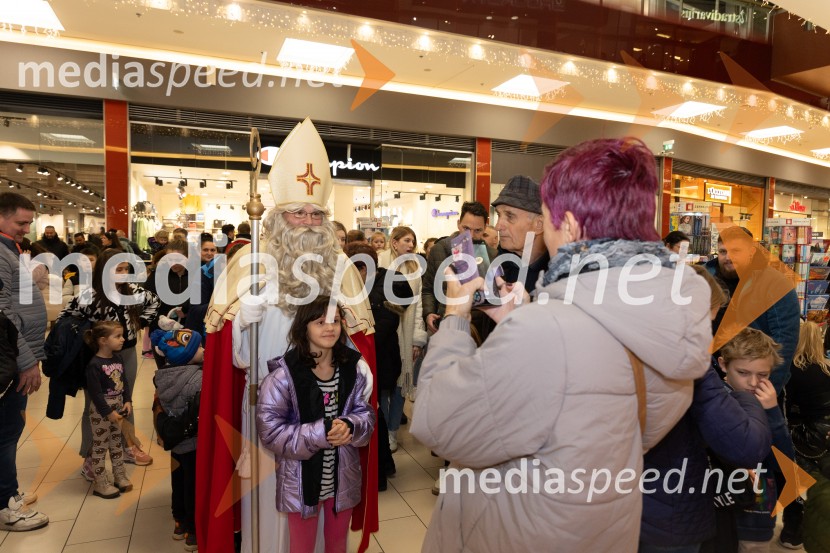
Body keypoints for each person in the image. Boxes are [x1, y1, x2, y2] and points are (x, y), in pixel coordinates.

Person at [410, 137, 712, 552]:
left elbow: (436, 421)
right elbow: (612, 418)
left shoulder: (549, 328)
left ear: (568, 225)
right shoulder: (662, 316)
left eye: (547, 218)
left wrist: (455, 316)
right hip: (596, 526)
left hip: (518, 529)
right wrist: (522, 320)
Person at [197, 118, 378, 553]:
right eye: (298, 212)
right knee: (271, 506)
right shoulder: (249, 261)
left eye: (316, 213)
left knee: (325, 495)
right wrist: (244, 321)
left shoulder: (341, 267)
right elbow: (233, 358)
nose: (309, 221)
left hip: (328, 401)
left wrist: (363, 377)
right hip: (268, 405)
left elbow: (357, 343)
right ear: (277, 218)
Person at [639, 266, 772, 553]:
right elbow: (746, 444)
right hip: (672, 510)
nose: (708, 332)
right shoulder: (691, 361)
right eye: (706, 321)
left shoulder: (626, 344)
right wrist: (747, 401)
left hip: (620, 506)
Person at [257, 296, 375, 553]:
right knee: (301, 547)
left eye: (334, 321)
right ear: (304, 327)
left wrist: (352, 426)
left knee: (337, 545)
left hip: (342, 480)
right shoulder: (283, 375)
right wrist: (319, 433)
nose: (329, 328)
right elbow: (270, 431)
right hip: (300, 483)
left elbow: (365, 414)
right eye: (320, 322)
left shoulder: (352, 369)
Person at [58, 248, 159, 473]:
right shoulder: (89, 295)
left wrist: (140, 322)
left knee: (126, 400)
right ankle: (90, 457)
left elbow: (154, 302)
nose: (123, 274)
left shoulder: (133, 291)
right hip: (97, 358)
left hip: (127, 354)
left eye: (126, 269)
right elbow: (65, 317)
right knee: (94, 406)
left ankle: (127, 446)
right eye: (118, 269)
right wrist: (86, 336)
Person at [706, 327, 794, 553]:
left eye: (762, 375)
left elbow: (784, 462)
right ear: (724, 364)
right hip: (717, 509)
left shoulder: (768, 402)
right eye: (743, 372)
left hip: (758, 513)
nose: (753, 382)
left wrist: (773, 412)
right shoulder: (713, 401)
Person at [0, 192, 49, 532]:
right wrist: (27, 360)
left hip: (14, 356)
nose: (26, 229)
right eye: (21, 223)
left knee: (8, 430)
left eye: (29, 222)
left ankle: (8, 491)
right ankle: (6, 504)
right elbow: (3, 315)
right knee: (5, 431)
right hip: (10, 361)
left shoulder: (8, 250)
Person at [707, 226, 800, 396]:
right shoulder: (704, 279)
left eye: (736, 251)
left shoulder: (776, 284)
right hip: (710, 379)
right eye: (723, 251)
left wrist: (765, 391)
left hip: (755, 383)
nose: (728, 258)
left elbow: (784, 343)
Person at [152, 327, 205, 552]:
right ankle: (193, 531)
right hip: (193, 442)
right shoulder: (198, 378)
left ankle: (179, 522)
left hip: (176, 442)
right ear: (186, 355)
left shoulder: (162, 375)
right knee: (193, 485)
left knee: (178, 480)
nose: (203, 349)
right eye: (199, 347)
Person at [779, 321, 830, 549]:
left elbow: (784, 410)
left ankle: (793, 531)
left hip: (803, 435)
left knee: (794, 479)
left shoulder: (792, 372)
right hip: (825, 435)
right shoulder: (827, 369)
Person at [377, 226, 427, 452]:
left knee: (400, 386)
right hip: (385, 333)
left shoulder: (415, 267)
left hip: (406, 333)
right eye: (406, 240)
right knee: (384, 385)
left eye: (413, 241)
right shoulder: (378, 263)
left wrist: (417, 339)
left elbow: (418, 306)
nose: (410, 245)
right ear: (394, 242)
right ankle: (383, 426)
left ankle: (392, 432)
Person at [421, 201, 496, 335]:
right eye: (466, 229)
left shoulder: (492, 255)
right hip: (445, 325)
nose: (470, 236)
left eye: (477, 230)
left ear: (485, 228)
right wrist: (429, 313)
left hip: (479, 330)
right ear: (458, 224)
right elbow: (428, 289)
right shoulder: (440, 249)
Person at [83, 321, 133, 499]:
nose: (123, 339)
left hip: (118, 407)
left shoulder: (117, 358)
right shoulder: (94, 365)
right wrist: (108, 412)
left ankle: (119, 476)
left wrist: (127, 400)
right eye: (117, 336)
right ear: (103, 340)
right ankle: (100, 482)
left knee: (116, 443)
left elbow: (124, 381)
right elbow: (95, 395)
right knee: (100, 446)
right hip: (101, 411)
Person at [491, 175, 550, 294]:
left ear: (539, 224)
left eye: (510, 216)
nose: (497, 226)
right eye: (499, 215)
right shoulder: (499, 267)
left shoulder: (560, 275)